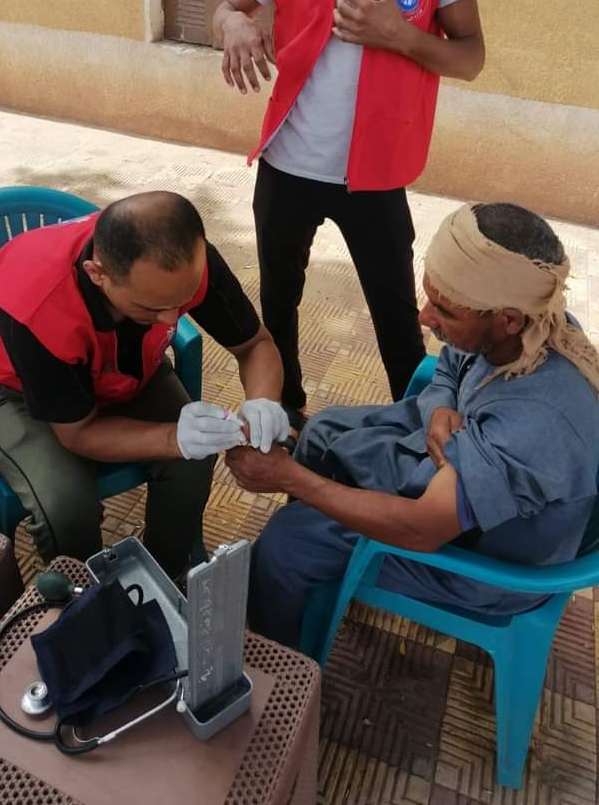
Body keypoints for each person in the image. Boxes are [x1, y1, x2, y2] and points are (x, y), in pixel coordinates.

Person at [226, 202, 599, 648]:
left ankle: (282, 663)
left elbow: (423, 528)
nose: (423, 316)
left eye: (444, 311)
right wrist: (440, 406)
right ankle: (306, 582)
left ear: (508, 320)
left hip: (488, 564)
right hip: (465, 475)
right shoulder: (522, 325)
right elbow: (449, 367)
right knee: (322, 434)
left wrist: (289, 478)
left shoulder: (536, 421)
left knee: (287, 542)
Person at [213, 0, 485, 426]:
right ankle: (286, 413)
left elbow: (470, 57)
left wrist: (400, 34)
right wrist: (234, 22)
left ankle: (417, 428)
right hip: (287, 163)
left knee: (398, 321)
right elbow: (229, 8)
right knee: (278, 305)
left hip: (376, 172)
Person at [0, 191, 288, 578]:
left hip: (121, 371)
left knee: (195, 460)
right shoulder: (36, 305)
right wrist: (173, 438)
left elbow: (255, 345)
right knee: (67, 506)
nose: (172, 318)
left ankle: (164, 578)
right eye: (151, 307)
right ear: (97, 274)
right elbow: (78, 433)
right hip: (17, 391)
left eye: (182, 301)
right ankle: (86, 595)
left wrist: (264, 401)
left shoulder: (186, 262)